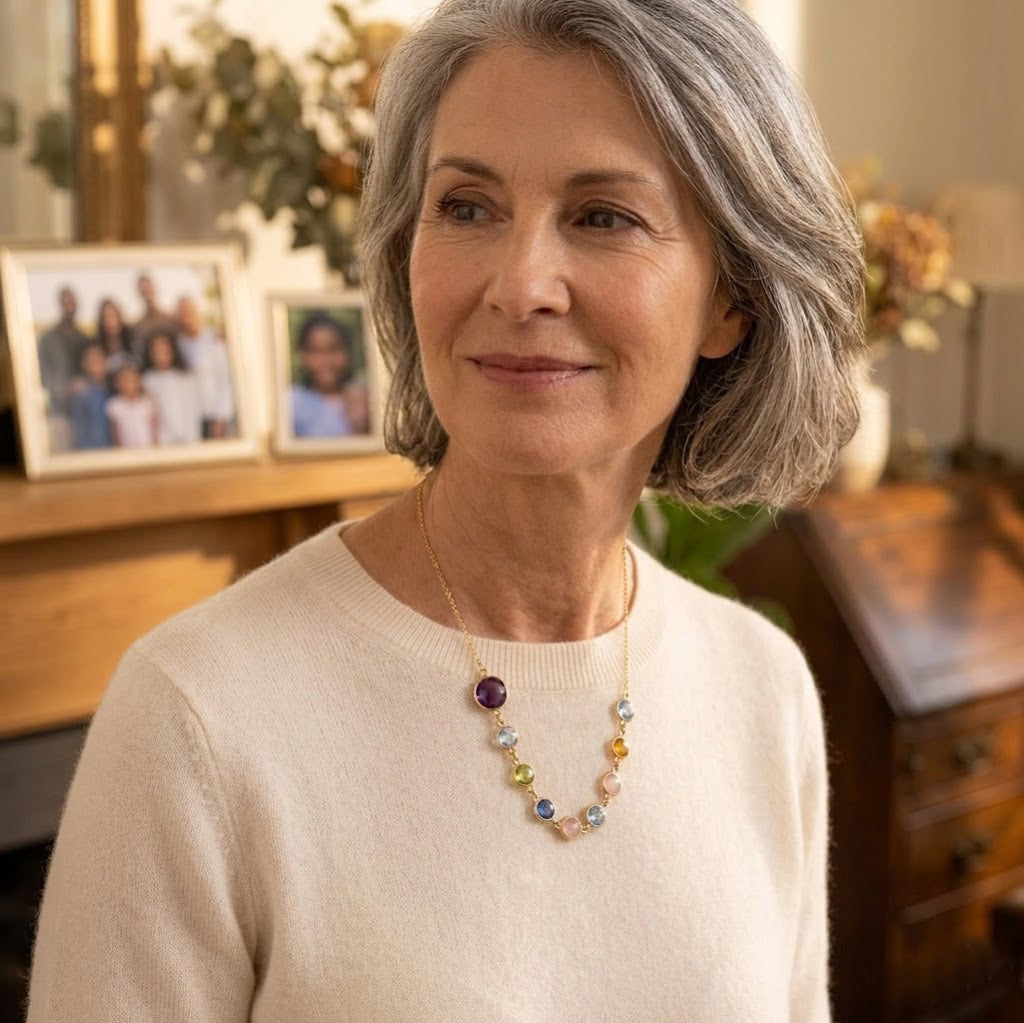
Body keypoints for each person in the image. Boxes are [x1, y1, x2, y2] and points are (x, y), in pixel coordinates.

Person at [25, 2, 865, 1021]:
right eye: (466, 207)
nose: (520, 285)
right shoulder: (196, 715)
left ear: (731, 298)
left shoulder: (764, 688)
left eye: (602, 216)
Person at [290, 311, 369, 437]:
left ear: (348, 352)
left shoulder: (365, 397)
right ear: (303, 355)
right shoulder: (293, 403)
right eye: (315, 351)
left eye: (334, 349)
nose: (325, 361)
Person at [36, 285, 89, 453]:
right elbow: (41, 374)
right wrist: (61, 389)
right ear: (60, 304)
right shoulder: (47, 338)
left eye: (72, 303)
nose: (69, 307)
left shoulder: (83, 339)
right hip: (59, 412)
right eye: (66, 303)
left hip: (83, 412)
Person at [175, 295, 236, 439]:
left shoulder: (214, 339)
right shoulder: (179, 343)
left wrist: (220, 417)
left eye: (189, 312)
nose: (186, 317)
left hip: (218, 416)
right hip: (194, 418)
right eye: (182, 314)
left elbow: (226, 379)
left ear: (197, 312)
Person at [141, 328, 202, 445]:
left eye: (164, 349)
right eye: (156, 350)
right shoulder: (147, 380)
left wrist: (193, 438)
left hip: (189, 438)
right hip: (163, 441)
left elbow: (194, 410)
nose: (160, 354)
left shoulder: (185, 377)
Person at [69, 343, 112, 450]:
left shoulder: (115, 387)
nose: (96, 361)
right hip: (93, 451)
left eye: (99, 356)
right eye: (91, 359)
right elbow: (80, 429)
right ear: (84, 364)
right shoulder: (82, 392)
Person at [104, 363, 158, 448]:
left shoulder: (147, 402)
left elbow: (154, 429)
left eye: (132, 379)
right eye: (124, 380)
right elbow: (114, 432)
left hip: (148, 447)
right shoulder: (114, 404)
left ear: (138, 381)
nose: (129, 383)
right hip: (126, 449)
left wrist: (156, 447)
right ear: (117, 383)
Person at [129, 272, 179, 360]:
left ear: (154, 289)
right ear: (139, 293)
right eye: (143, 291)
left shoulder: (170, 319)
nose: (147, 294)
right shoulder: (138, 327)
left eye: (148, 289)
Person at [94, 297, 137, 382]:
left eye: (113, 316)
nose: (110, 321)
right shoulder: (97, 347)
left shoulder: (133, 341)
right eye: (105, 318)